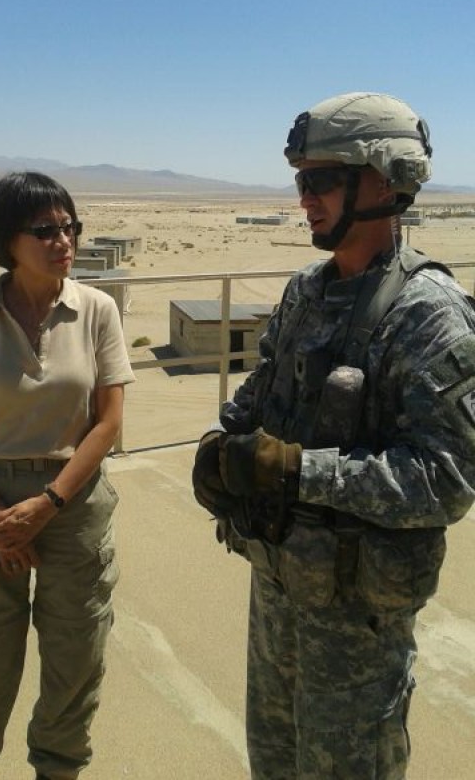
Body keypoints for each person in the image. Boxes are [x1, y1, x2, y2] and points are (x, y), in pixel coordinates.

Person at [192, 92, 475, 779]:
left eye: (321, 180)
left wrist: (298, 471)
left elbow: (446, 479)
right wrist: (219, 448)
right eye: (300, 182)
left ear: (383, 180)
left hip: (356, 623)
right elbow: (255, 403)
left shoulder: (428, 314)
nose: (305, 199)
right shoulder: (304, 293)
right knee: (274, 762)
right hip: (279, 590)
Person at [0, 171, 135, 780]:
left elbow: (108, 422)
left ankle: (58, 770)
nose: (63, 240)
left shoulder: (96, 309)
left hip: (73, 501)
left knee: (75, 662)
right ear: (6, 240)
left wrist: (48, 503)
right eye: (45, 230)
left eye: (71, 226)